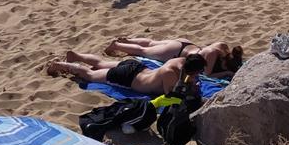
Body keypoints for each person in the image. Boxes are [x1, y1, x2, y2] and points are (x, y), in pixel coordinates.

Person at [48, 52, 206, 96]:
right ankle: (60, 65)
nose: (198, 76)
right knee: (89, 75)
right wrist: (191, 88)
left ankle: (76, 55)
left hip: (138, 68)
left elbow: (187, 78)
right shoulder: (170, 72)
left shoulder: (181, 61)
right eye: (197, 73)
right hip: (127, 78)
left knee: (102, 63)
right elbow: (172, 97)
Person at [105, 38, 243, 78]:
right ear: (225, 61)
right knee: (144, 51)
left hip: (185, 44)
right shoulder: (213, 54)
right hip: (176, 53)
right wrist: (226, 72)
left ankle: (128, 40)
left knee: (152, 43)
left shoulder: (222, 46)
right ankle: (117, 45)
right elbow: (208, 74)